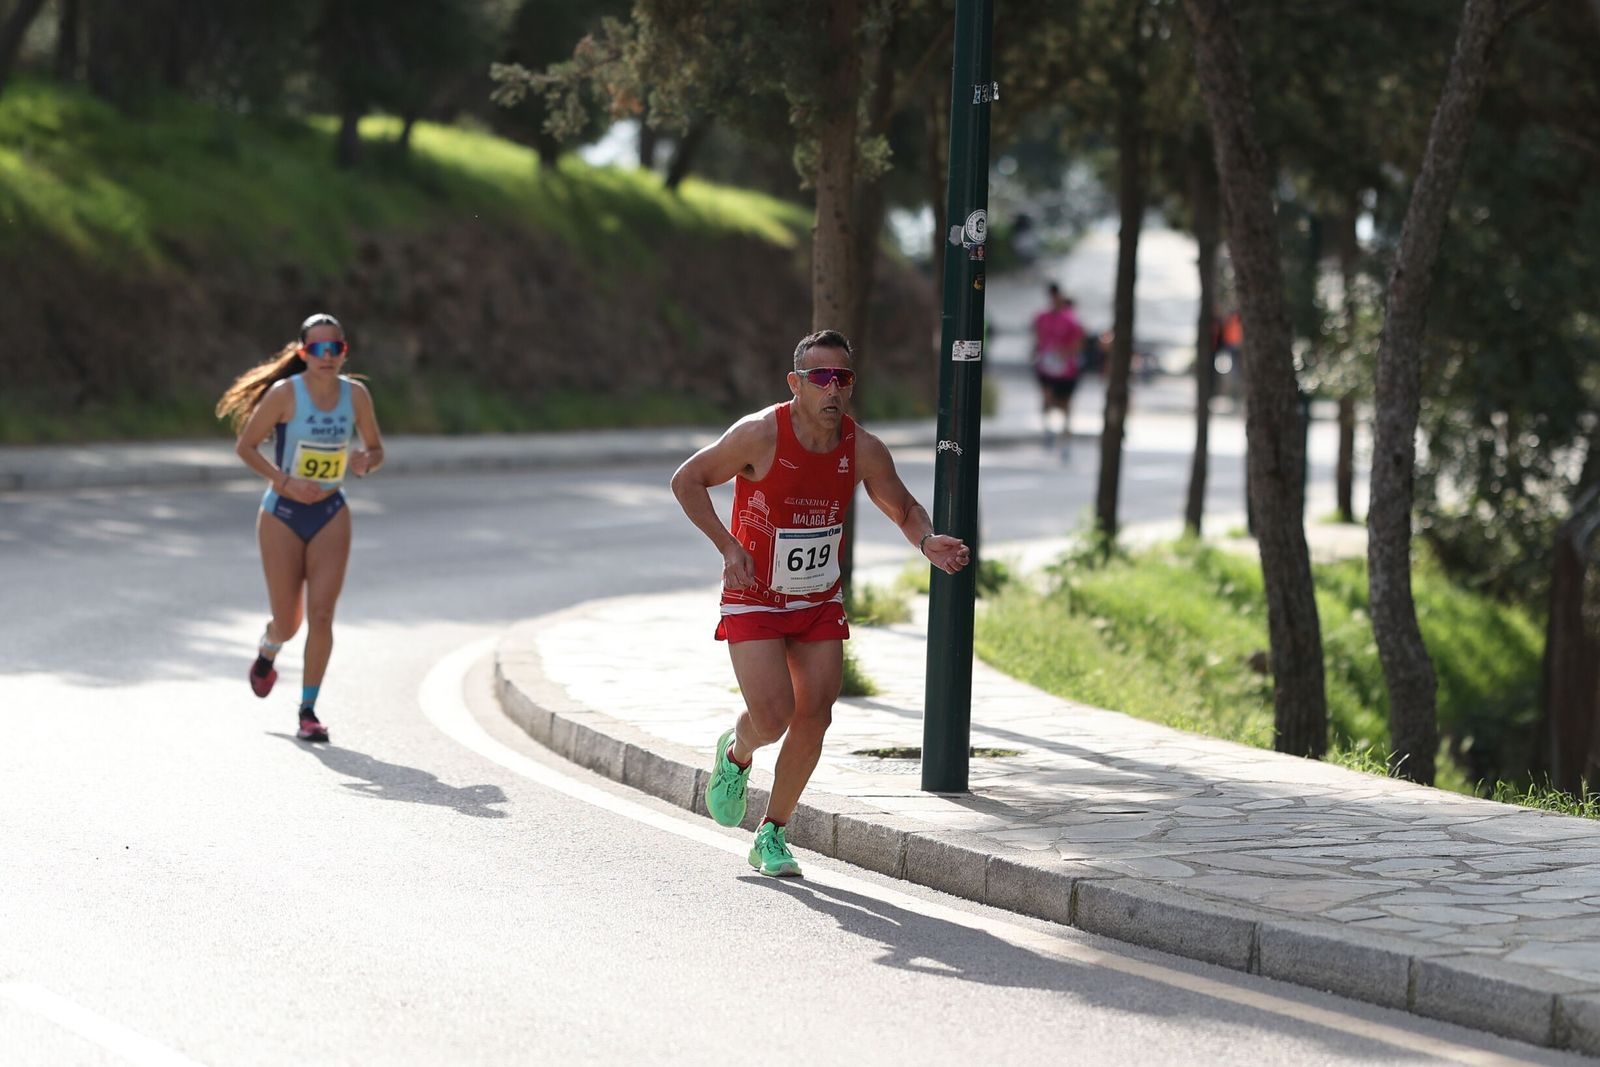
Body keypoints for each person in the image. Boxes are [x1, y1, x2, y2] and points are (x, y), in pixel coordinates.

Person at [670, 329, 971, 878]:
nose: (834, 388)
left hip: (817, 597)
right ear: (797, 384)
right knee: (773, 715)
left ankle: (773, 832)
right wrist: (729, 546)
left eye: (844, 378)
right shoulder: (760, 434)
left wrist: (927, 542)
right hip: (755, 594)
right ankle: (736, 753)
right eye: (821, 377)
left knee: (816, 715)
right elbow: (687, 480)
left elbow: (902, 507)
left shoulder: (862, 448)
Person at [215, 313, 385, 743]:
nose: (326, 357)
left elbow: (376, 448)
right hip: (283, 515)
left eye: (335, 349)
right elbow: (245, 447)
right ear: (303, 352)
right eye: (317, 349)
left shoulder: (357, 396)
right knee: (288, 623)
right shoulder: (284, 394)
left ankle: (308, 710)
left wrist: (367, 459)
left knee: (323, 615)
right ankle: (269, 648)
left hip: (331, 511)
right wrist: (284, 481)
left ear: (343, 353)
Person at [1030, 283, 1085, 449]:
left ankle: (1065, 432)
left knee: (1064, 403)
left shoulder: (1071, 320)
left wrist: (1066, 354)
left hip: (1066, 370)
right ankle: (1049, 430)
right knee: (1047, 397)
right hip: (1047, 367)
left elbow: (1079, 343)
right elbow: (1037, 337)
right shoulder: (1042, 317)